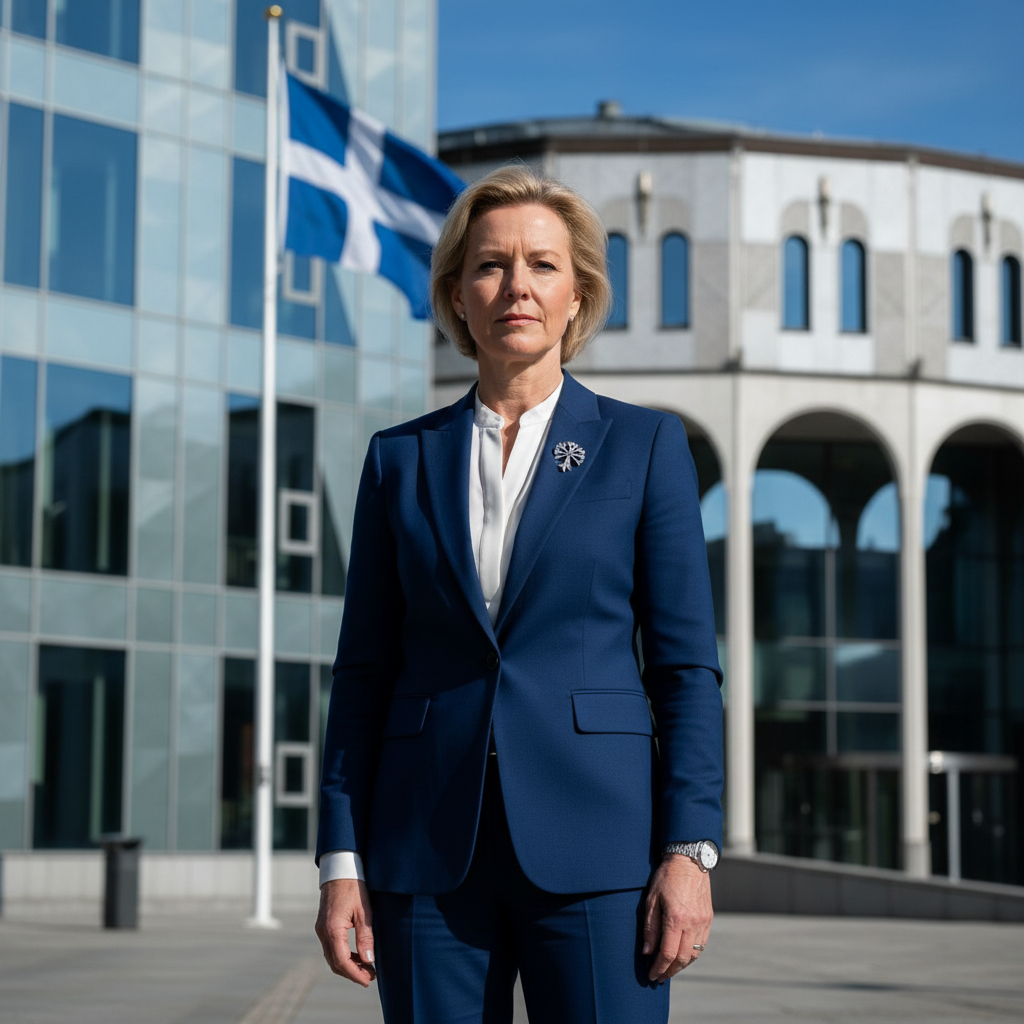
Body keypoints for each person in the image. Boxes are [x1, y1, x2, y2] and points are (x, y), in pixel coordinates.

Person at [314, 165, 724, 1024]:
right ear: (457, 297)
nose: (517, 286)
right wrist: (340, 860)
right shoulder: (399, 460)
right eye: (490, 265)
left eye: (542, 264)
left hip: (601, 850)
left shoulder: (645, 447)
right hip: (426, 850)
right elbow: (362, 675)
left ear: (578, 295)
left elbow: (685, 670)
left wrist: (691, 850)